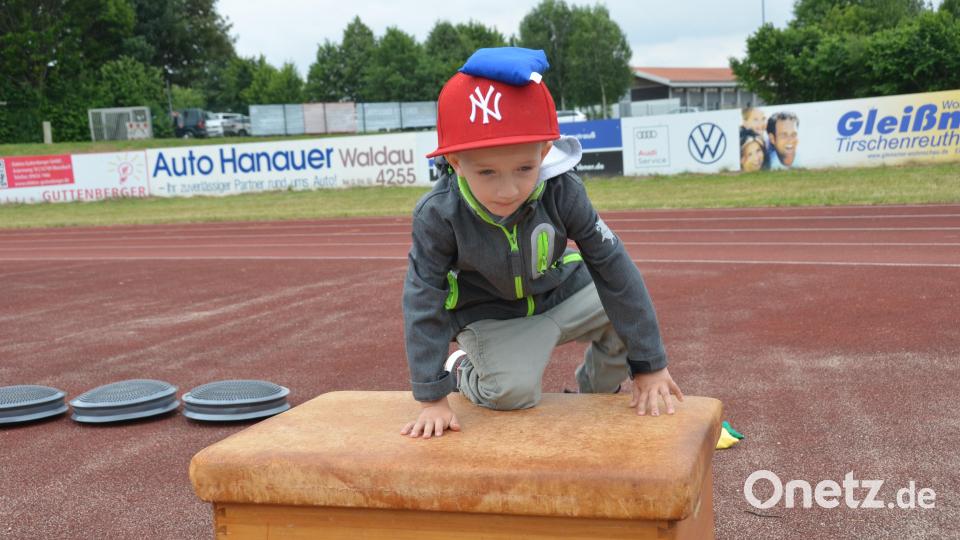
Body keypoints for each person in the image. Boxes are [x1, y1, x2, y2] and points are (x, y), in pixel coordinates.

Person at [400, 47, 682, 439]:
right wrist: (433, 396)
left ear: (545, 151)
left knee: (624, 313)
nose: (508, 190)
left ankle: (595, 391)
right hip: (492, 315)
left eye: (524, 168)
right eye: (487, 172)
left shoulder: (564, 189)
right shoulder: (438, 214)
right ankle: (463, 368)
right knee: (510, 394)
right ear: (456, 162)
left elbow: (613, 266)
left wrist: (649, 366)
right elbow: (422, 297)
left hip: (562, 291)